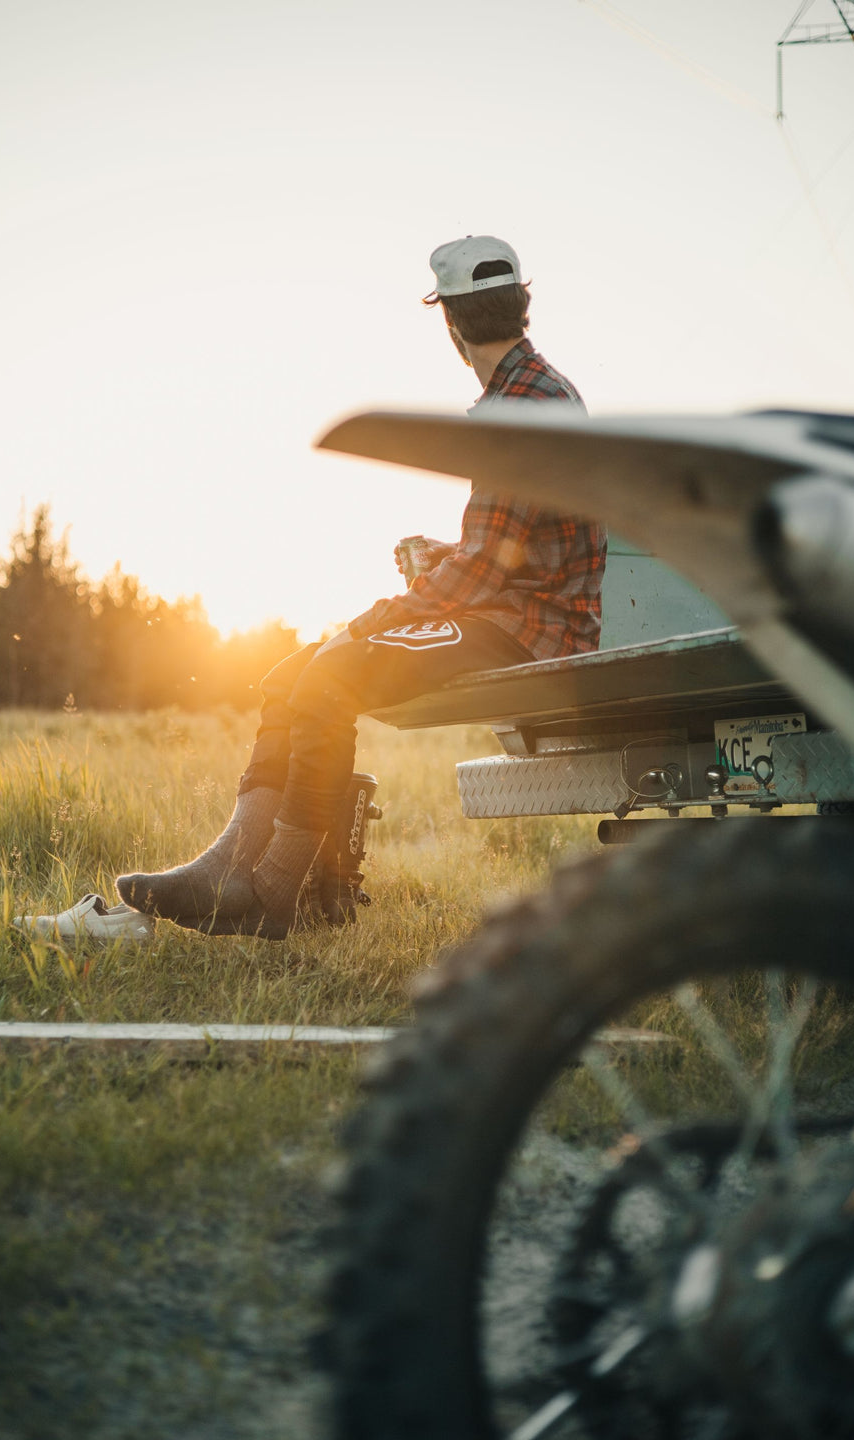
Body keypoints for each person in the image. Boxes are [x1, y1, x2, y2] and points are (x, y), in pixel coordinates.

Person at [116, 235, 607, 939]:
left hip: (528, 631)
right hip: (519, 612)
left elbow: (485, 571)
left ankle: (272, 890)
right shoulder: (533, 390)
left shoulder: (520, 406)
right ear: (521, 305)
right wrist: (441, 555)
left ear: (451, 323)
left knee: (330, 672)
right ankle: (229, 862)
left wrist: (376, 616)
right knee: (293, 673)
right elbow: (515, 546)